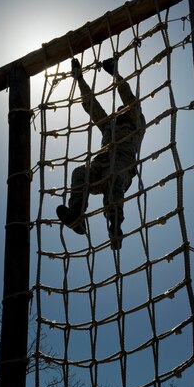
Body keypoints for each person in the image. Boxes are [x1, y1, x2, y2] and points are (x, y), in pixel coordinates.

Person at [56, 57, 146, 249]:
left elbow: (129, 98)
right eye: (119, 110)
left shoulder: (137, 124)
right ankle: (77, 216)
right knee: (79, 173)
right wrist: (78, 79)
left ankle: (115, 227)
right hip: (99, 165)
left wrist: (115, 74)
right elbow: (91, 106)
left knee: (114, 178)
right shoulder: (108, 126)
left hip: (122, 164)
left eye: (123, 110)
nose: (121, 111)